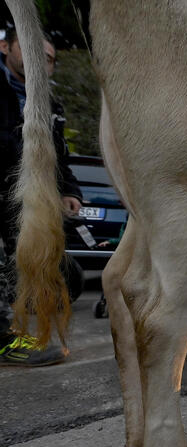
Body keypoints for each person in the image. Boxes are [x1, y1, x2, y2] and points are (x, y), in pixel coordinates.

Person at [1, 28, 82, 366]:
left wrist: (68, 191)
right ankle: (4, 341)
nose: (39, 61)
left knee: (54, 275)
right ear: (5, 47)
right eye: (31, 50)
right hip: (8, 189)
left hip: (24, 203)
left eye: (47, 59)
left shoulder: (50, 105)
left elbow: (58, 155)